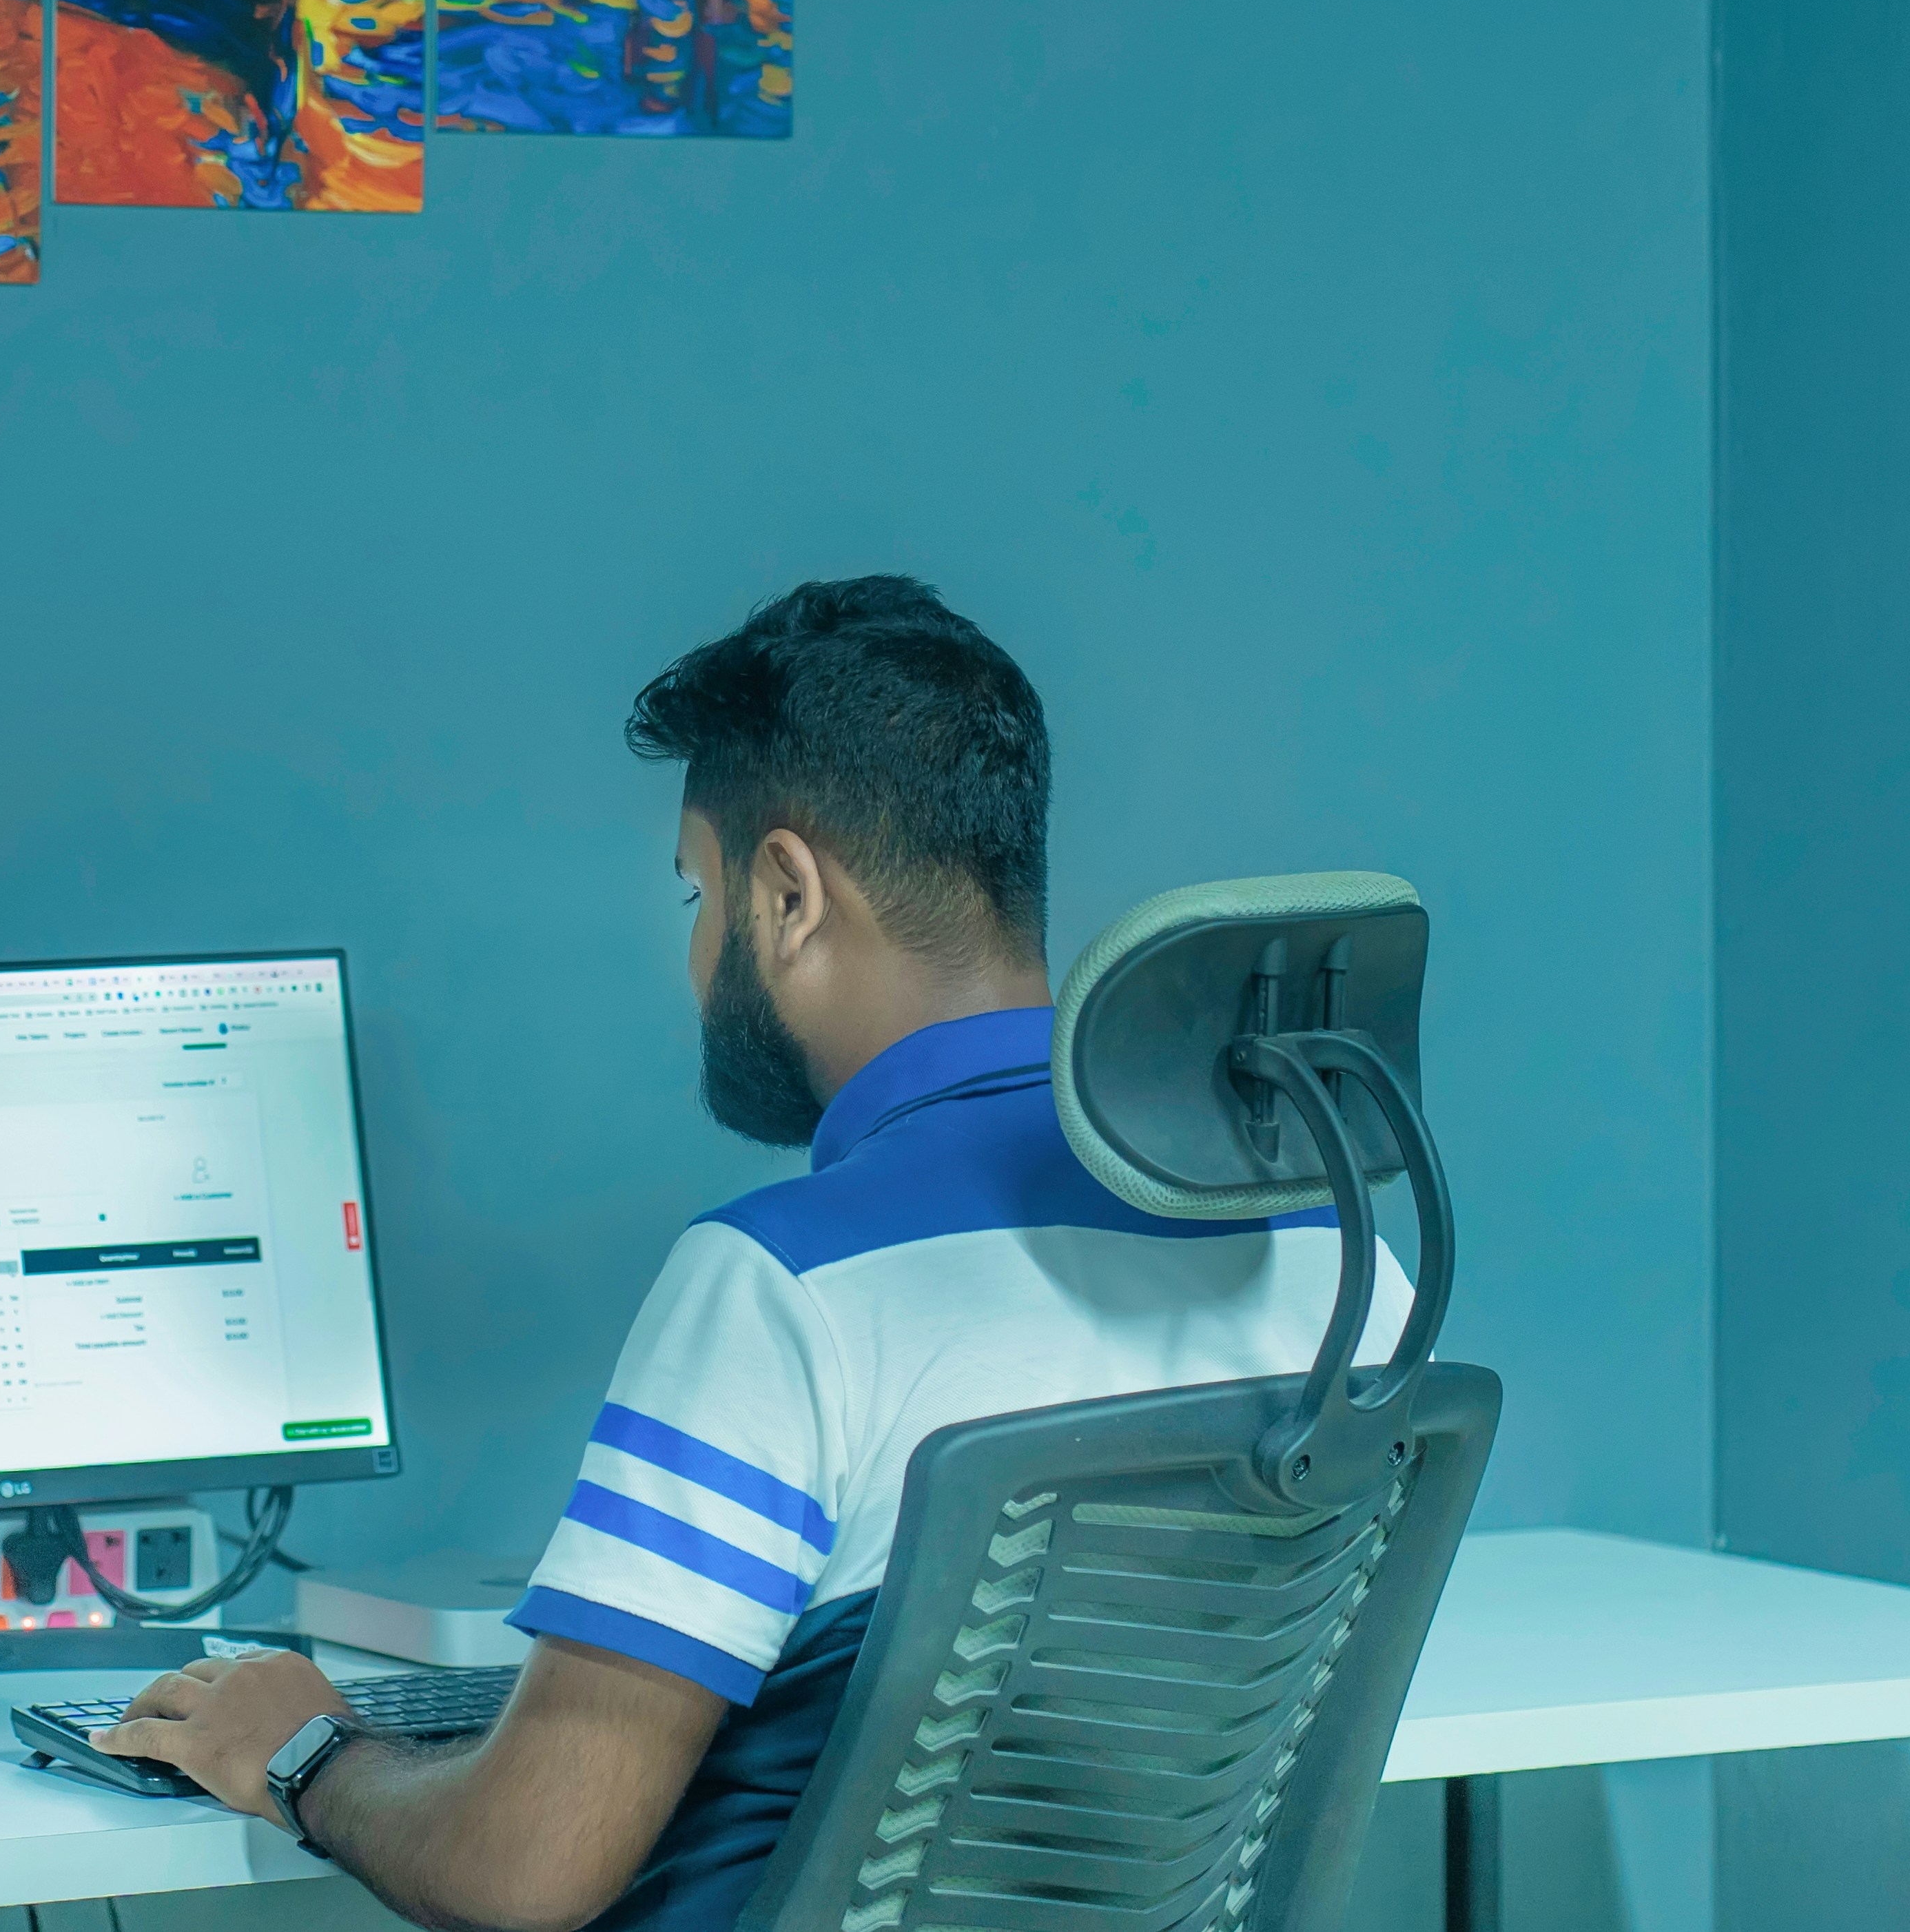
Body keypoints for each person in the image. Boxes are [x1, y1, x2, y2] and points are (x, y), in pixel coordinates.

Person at [92, 575, 1411, 1932]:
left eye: (696, 896)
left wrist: (310, 1752)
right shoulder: (1333, 1258)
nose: (697, 953)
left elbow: (524, 1866)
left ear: (786, 893)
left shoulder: (786, 1285)